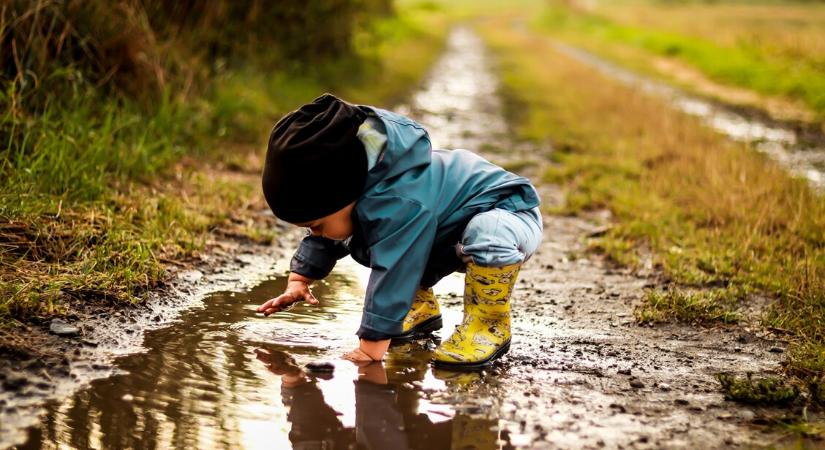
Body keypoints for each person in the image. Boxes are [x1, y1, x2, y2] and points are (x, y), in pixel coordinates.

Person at [256, 93, 542, 368]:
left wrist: (370, 348)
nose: (315, 233)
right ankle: (418, 309)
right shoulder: (355, 190)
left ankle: (486, 324)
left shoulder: (399, 200)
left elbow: (396, 267)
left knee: (481, 233)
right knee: (364, 238)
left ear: (345, 194)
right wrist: (299, 279)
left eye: (315, 225)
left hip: (507, 213)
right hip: (444, 229)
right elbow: (328, 237)